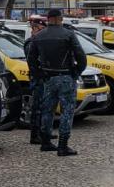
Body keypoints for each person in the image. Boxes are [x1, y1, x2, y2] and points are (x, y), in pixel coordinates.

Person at [26, 9, 86, 156]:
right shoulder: (68, 34)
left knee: (47, 110)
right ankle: (63, 145)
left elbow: (31, 59)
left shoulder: (39, 36)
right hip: (65, 76)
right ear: (60, 18)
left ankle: (46, 141)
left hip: (48, 77)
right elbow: (81, 56)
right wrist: (76, 72)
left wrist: (39, 74)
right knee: (67, 111)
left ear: (48, 19)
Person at [23, 19, 51, 145]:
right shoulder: (30, 43)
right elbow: (32, 62)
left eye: (43, 29)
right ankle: (35, 135)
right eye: (39, 29)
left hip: (44, 77)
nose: (42, 32)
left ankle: (44, 132)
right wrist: (40, 75)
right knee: (37, 107)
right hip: (38, 78)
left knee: (45, 107)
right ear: (33, 29)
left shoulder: (40, 41)